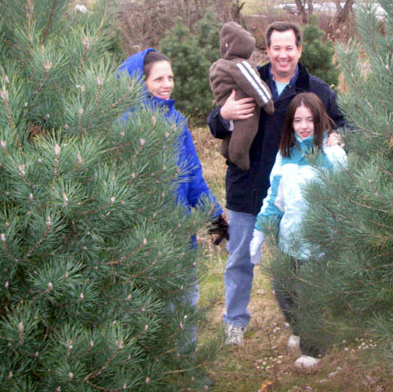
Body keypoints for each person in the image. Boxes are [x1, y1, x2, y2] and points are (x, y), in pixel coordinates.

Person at [206, 21, 346, 345]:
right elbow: (214, 123)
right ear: (266, 50)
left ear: (299, 49)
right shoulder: (248, 79)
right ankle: (235, 322)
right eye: (276, 48)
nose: (283, 55)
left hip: (295, 196)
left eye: (289, 48)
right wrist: (225, 113)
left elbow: (344, 123)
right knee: (240, 257)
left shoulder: (317, 90)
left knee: (295, 264)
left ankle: (302, 324)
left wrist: (338, 138)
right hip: (249, 187)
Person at [118, 48, 228, 349]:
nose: (167, 84)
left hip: (179, 236)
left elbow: (193, 179)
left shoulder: (177, 122)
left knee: (183, 306)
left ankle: (184, 368)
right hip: (137, 242)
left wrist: (217, 223)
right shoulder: (121, 126)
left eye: (170, 77)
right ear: (138, 82)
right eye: (158, 79)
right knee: (142, 314)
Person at [249, 93, 347, 368]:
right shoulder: (284, 156)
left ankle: (312, 352)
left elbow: (345, 199)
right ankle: (300, 328)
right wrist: (259, 233)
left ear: (319, 121)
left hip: (320, 244)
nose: (304, 126)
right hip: (289, 240)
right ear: (290, 124)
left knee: (309, 298)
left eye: (310, 120)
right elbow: (274, 199)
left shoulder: (333, 155)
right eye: (297, 120)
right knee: (283, 290)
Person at [209, 21, 274, 171]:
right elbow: (256, 85)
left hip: (229, 103)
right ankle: (239, 157)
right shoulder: (241, 66)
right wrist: (267, 103)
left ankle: (228, 151)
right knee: (244, 135)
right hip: (247, 108)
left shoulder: (218, 65)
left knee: (234, 138)